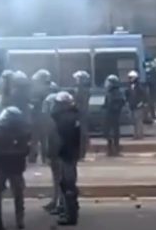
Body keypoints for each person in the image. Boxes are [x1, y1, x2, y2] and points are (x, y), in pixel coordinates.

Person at [0, 106, 31, 229]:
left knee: (16, 193)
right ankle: (8, 219)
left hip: (10, 168)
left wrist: (4, 152)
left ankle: (16, 219)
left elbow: (25, 150)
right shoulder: (0, 132)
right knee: (2, 192)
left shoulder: (22, 133)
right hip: (8, 168)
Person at [51, 91, 81, 226]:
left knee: (68, 184)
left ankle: (71, 215)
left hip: (67, 154)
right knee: (68, 183)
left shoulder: (65, 119)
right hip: (71, 153)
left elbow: (62, 139)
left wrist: (56, 151)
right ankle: (69, 210)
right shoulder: (74, 116)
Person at [41, 92, 63, 216]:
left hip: (59, 154)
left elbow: (54, 140)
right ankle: (55, 201)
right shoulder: (55, 118)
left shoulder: (56, 120)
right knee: (57, 180)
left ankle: (60, 203)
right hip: (57, 153)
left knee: (60, 180)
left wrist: (51, 154)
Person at [29, 69, 53, 163]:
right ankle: (44, 158)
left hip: (37, 116)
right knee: (44, 139)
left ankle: (33, 158)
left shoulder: (37, 89)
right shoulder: (50, 88)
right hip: (45, 117)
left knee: (35, 139)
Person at [102, 75, 126, 156]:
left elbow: (120, 103)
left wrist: (113, 107)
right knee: (108, 133)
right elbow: (106, 103)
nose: (106, 84)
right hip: (108, 115)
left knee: (115, 133)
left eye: (108, 82)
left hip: (114, 116)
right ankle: (110, 150)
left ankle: (115, 150)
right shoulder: (109, 92)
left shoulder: (117, 92)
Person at [71, 71, 92, 159]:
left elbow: (78, 103)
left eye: (78, 78)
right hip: (83, 113)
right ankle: (81, 153)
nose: (76, 80)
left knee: (81, 134)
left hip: (80, 114)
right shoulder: (84, 89)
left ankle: (81, 153)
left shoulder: (81, 90)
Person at [126, 71, 148, 140]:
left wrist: (141, 103)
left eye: (132, 77)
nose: (130, 79)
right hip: (132, 106)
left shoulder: (140, 87)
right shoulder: (129, 87)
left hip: (139, 106)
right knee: (134, 121)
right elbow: (128, 96)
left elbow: (144, 96)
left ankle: (140, 135)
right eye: (130, 78)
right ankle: (136, 135)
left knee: (139, 121)